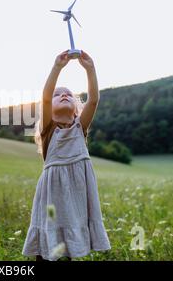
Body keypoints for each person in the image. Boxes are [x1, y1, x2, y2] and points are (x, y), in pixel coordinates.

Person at [22, 50, 111, 261]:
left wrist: (90, 69)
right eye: (57, 94)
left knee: (69, 238)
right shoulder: (49, 131)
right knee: (50, 238)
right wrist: (57, 67)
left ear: (75, 111)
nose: (63, 94)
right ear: (49, 111)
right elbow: (44, 98)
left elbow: (93, 100)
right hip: (52, 194)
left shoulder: (80, 128)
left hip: (77, 193)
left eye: (69, 94)